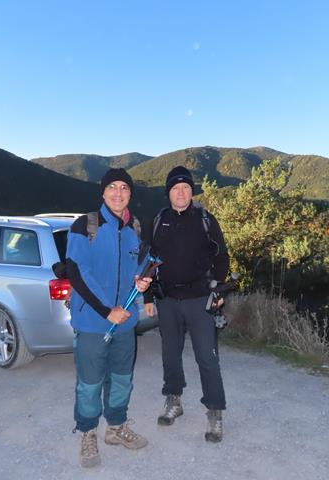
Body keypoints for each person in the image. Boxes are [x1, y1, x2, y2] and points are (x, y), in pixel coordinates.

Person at [65, 168, 152, 468]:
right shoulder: (85, 226)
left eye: (124, 187)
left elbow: (138, 267)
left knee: (122, 379)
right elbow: (77, 271)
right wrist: (106, 310)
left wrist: (142, 281)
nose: (118, 192)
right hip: (92, 321)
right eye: (112, 187)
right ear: (103, 192)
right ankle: (88, 432)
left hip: (125, 321)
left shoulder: (134, 228)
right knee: (90, 382)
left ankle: (116, 427)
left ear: (130, 193)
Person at [143, 166, 230, 443]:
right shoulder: (158, 220)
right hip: (167, 299)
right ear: (168, 192)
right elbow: (148, 261)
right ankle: (174, 401)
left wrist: (217, 287)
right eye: (175, 188)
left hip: (199, 299)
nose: (181, 192)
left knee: (207, 357)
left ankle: (215, 412)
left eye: (186, 188)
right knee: (170, 354)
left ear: (192, 192)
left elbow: (222, 257)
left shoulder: (205, 219)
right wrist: (148, 297)